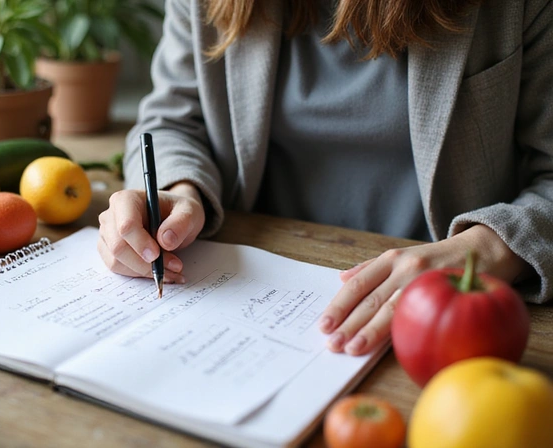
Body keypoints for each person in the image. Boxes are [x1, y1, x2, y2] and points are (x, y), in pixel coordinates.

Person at [97, 0, 553, 356]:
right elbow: (170, 120)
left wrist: (488, 248)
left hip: (447, 319)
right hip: (246, 294)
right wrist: (179, 190)